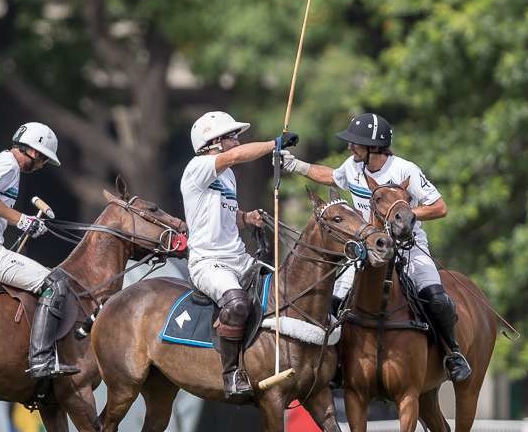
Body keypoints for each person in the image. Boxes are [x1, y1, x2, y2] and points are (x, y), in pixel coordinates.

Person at [279, 113, 471, 382]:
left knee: (437, 299)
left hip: (408, 246)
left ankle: (452, 353)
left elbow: (439, 207)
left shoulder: (405, 170)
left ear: (374, 148)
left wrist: (405, 215)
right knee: (333, 301)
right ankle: (335, 362)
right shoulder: (353, 166)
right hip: (366, 248)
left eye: (355, 143)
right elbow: (333, 177)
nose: (350, 147)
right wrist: (295, 165)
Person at [180, 111, 298, 401]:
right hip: (208, 262)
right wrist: (274, 144)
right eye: (232, 136)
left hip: (238, 258)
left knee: (285, 292)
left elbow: (226, 215)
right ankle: (231, 372)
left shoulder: (227, 177)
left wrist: (247, 218)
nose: (236, 141)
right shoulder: (199, 167)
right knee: (237, 302)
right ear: (215, 142)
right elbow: (236, 156)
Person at [0, 122, 80, 379]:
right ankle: (41, 359)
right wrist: (21, 219)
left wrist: (25, 224)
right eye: (43, 160)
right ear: (34, 151)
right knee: (56, 282)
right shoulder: (7, 164)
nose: (41, 166)